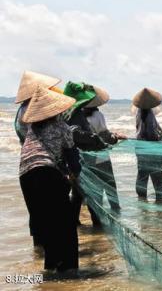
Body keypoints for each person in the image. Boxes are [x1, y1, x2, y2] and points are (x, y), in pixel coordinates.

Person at [19, 86, 80, 272]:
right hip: (47, 173)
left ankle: (50, 271)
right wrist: (73, 179)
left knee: (45, 225)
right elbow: (74, 162)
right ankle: (69, 273)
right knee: (66, 227)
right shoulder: (62, 127)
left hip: (25, 176)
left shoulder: (32, 129)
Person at [14, 71, 62, 247]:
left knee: (36, 212)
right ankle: (48, 252)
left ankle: (39, 251)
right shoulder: (32, 110)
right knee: (50, 214)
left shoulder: (22, 109)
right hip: (44, 164)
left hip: (25, 165)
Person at [63, 81, 108, 226]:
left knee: (78, 194)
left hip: (76, 160)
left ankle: (74, 222)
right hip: (80, 159)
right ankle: (97, 224)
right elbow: (75, 133)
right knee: (91, 193)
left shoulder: (71, 112)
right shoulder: (73, 114)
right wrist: (95, 139)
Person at [83, 85, 126, 211]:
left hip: (86, 159)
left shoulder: (79, 116)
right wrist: (116, 137)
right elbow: (104, 136)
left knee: (94, 189)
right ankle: (115, 211)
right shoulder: (97, 115)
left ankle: (97, 218)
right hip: (101, 157)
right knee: (109, 185)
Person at [133, 87, 162, 202]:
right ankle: (161, 205)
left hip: (140, 148)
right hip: (152, 148)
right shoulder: (148, 115)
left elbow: (156, 129)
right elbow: (151, 134)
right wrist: (161, 137)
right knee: (157, 174)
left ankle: (142, 201)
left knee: (142, 175)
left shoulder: (140, 112)